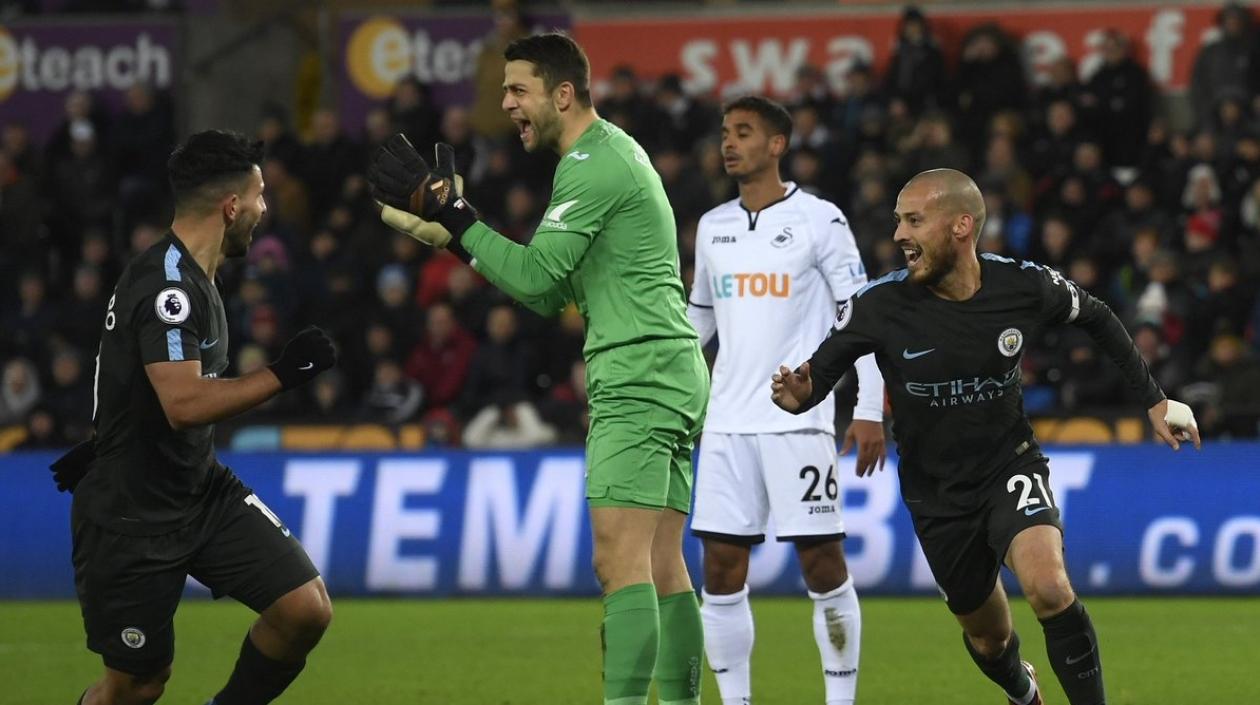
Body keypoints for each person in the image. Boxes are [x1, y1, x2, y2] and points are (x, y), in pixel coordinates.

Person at [770, 169, 1201, 705]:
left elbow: (1096, 316)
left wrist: (1155, 400)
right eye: (898, 220)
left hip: (1009, 464)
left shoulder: (1020, 285)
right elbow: (818, 376)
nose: (900, 233)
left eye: (914, 220)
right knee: (989, 637)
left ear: (961, 226)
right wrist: (799, 394)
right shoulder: (878, 306)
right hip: (937, 494)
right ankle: (1023, 689)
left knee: (1049, 588)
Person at [366, 32, 708, 705]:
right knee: (662, 564)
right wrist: (457, 238)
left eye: (517, 90)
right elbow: (550, 293)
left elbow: (534, 276)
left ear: (563, 93)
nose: (506, 104)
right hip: (670, 367)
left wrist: (457, 217)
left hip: (636, 373)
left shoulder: (590, 163)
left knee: (618, 563)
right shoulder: (612, 153)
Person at [52, 130, 337, 705]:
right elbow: (182, 404)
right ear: (231, 206)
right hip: (132, 516)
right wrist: (285, 373)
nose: (264, 209)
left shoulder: (193, 275)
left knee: (303, 609)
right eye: (258, 196)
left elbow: (142, 382)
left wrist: (111, 431)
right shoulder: (168, 286)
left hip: (198, 490)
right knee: (137, 686)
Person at [686, 96, 886, 705]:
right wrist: (666, 395)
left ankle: (840, 700)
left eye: (744, 133)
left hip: (797, 423)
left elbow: (863, 316)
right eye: (725, 133)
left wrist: (871, 406)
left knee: (822, 565)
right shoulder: (711, 226)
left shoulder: (819, 220)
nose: (729, 143)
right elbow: (697, 325)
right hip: (724, 425)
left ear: (777, 145)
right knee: (720, 572)